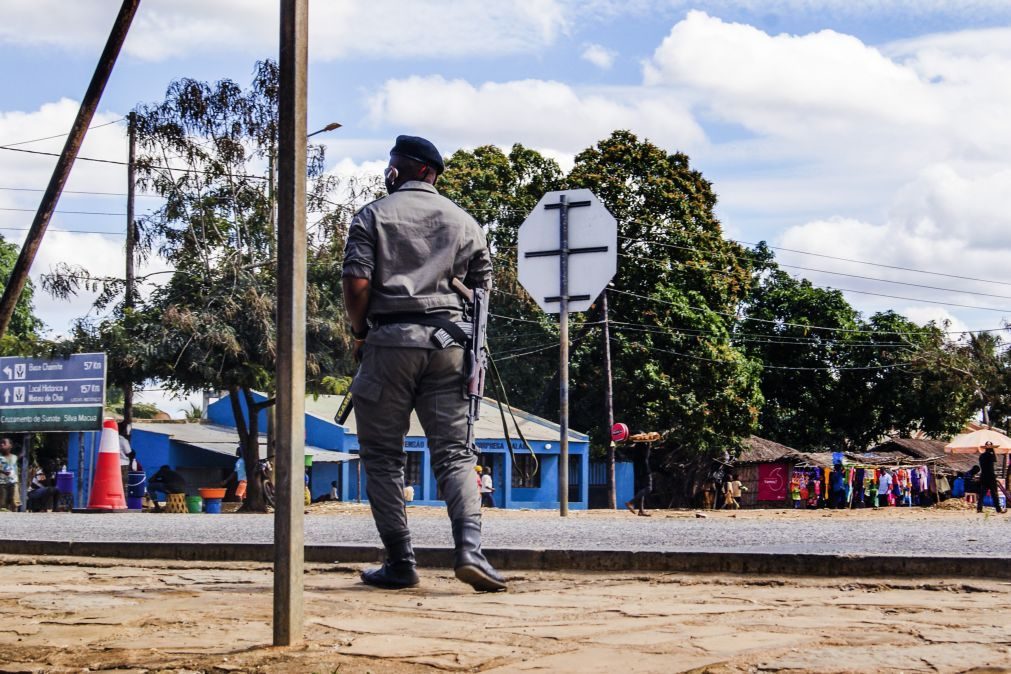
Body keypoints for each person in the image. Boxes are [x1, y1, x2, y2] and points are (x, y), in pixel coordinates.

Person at [342, 135, 504, 592]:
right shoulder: (465, 223)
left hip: (388, 343)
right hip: (451, 346)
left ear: (418, 170)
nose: (389, 173)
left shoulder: (372, 215)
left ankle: (400, 562)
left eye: (394, 166)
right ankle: (470, 551)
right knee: (454, 454)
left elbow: (356, 285)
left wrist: (360, 334)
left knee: (382, 458)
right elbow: (483, 297)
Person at [625, 443, 653, 517]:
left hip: (638, 473)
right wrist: (649, 445)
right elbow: (646, 456)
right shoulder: (643, 448)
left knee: (641, 490)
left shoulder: (636, 451)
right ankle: (631, 502)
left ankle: (641, 511)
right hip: (645, 472)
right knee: (649, 488)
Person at [977, 444, 1005, 514]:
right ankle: (998, 509)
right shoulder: (990, 455)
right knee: (994, 494)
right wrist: (993, 451)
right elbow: (995, 459)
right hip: (991, 477)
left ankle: (979, 508)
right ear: (991, 449)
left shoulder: (981, 456)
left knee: (982, 494)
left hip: (983, 476)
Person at [0, 438, 18, 511]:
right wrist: (3, 472)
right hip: (2, 483)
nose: (1, 444)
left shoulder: (14, 457)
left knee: (14, 501)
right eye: (0, 443)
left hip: (13, 482)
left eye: (4, 443)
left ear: (10, 446)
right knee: (3, 502)